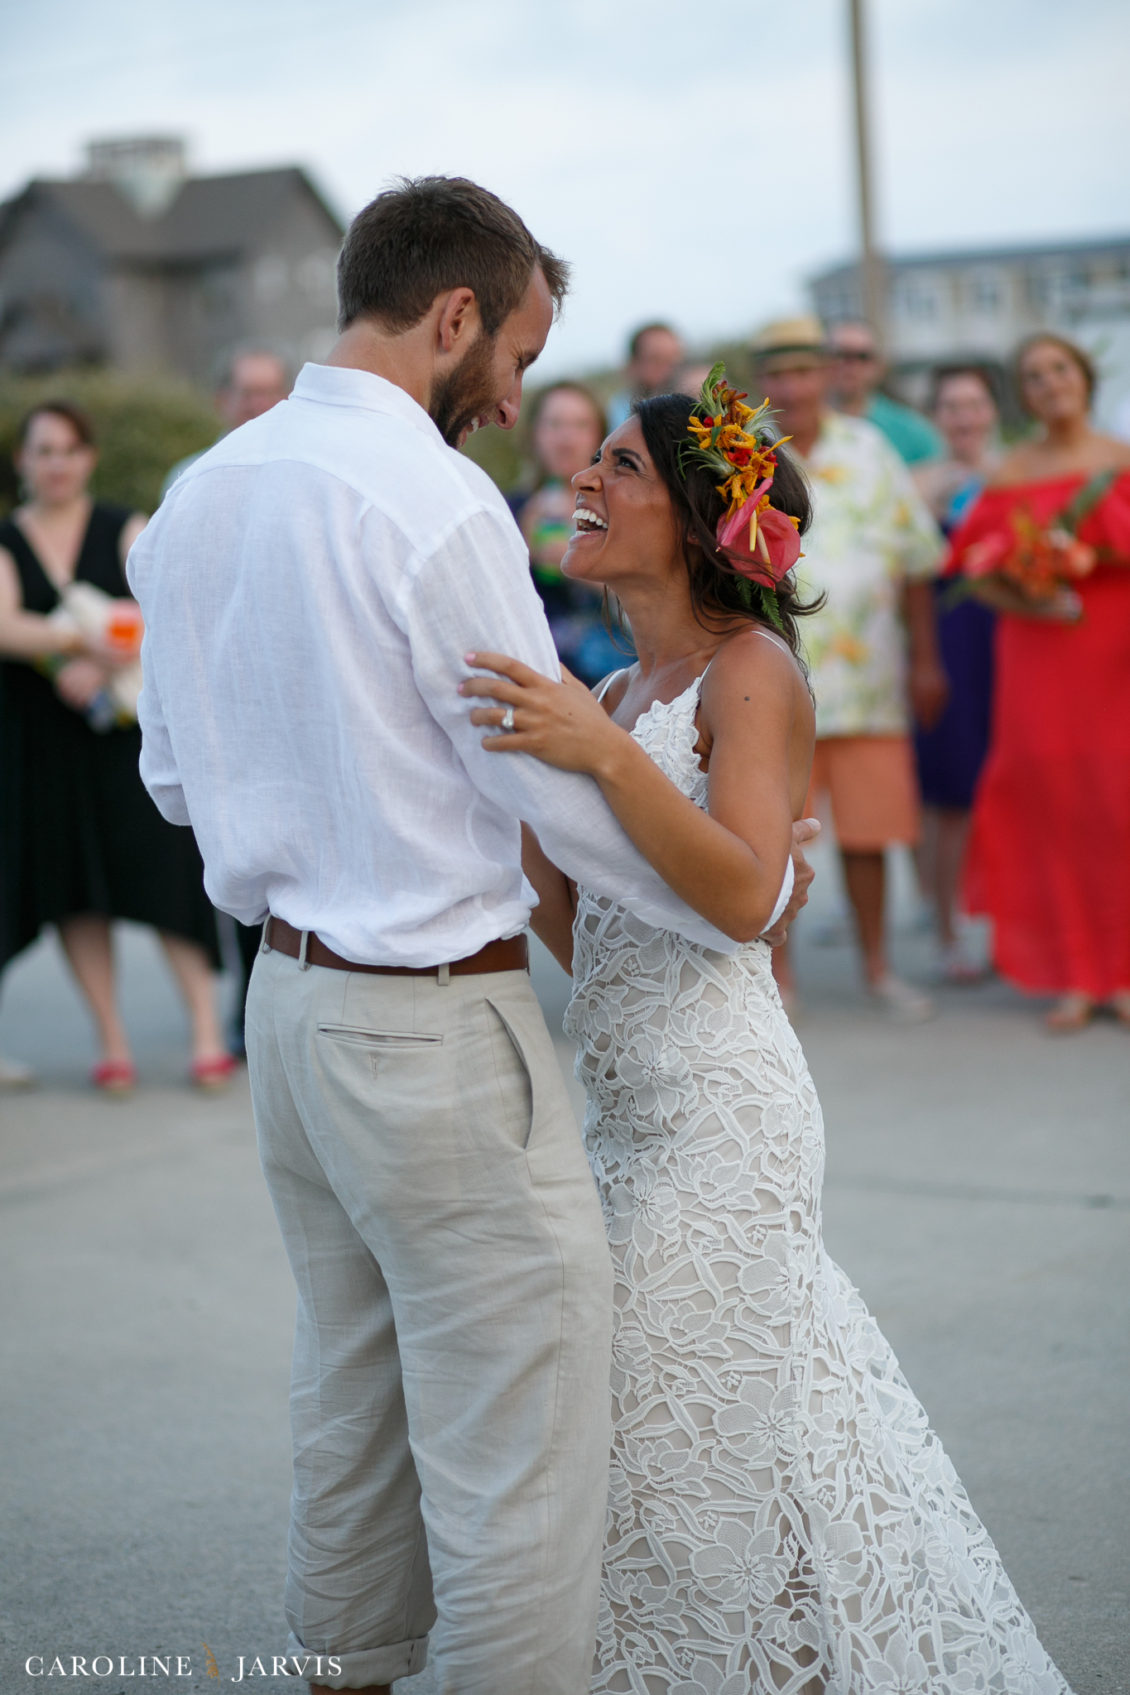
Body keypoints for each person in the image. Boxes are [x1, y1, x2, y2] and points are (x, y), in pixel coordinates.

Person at [126, 176, 816, 1695]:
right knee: (522, 1428)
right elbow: (547, 788)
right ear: (451, 317)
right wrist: (738, 904)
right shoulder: (427, 501)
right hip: (433, 1021)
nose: (516, 400)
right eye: (511, 356)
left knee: (348, 1381)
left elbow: (171, 776)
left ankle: (349, 1665)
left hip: (290, 1015)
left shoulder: (197, 494)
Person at [463, 372, 1074, 1693]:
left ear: (692, 519)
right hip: (620, 1109)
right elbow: (599, 932)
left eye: (616, 465)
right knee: (728, 1421)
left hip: (722, 1111)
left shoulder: (752, 673)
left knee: (685, 1444)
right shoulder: (616, 686)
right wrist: (519, 796)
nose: (581, 480)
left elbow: (741, 897)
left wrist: (597, 758)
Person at [0, 402, 228, 1090]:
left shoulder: (123, 525)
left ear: (89, 457)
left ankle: (205, 1031)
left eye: (69, 449)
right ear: (23, 463)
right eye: (43, 450)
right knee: (77, 895)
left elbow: (166, 606)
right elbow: (4, 627)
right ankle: (112, 1041)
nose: (57, 462)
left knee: (165, 874)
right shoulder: (9, 540)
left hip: (127, 742)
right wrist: (80, 638)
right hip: (44, 747)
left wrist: (97, 661)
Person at [752, 316, 948, 1019]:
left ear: (827, 376)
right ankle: (777, 979)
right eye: (778, 373)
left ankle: (877, 966)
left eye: (804, 371)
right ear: (762, 383)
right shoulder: (741, 456)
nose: (792, 385)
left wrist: (927, 658)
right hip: (771, 686)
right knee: (771, 835)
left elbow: (918, 559)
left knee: (871, 834)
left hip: (868, 684)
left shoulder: (870, 448)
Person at [948, 333, 1130, 1031]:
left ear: (1083, 376)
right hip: (1039, 657)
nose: (1050, 382)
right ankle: (1075, 973)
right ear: (1020, 395)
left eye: (1059, 369)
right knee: (1052, 803)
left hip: (1115, 658)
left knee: (1117, 803)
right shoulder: (1010, 474)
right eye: (1033, 376)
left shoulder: (1121, 461)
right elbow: (977, 575)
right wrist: (1038, 600)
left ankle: (1121, 970)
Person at [161, 345, 293, 1055]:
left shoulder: (305, 478)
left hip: (292, 693)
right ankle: (251, 1006)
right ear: (224, 401)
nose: (259, 404)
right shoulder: (189, 483)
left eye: (271, 390)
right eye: (246, 392)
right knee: (240, 857)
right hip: (227, 697)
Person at [912, 365, 1001, 981]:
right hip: (948, 647)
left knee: (1009, 793)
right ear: (936, 417)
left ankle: (1012, 929)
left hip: (1013, 643)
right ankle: (949, 929)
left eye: (974, 404)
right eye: (951, 405)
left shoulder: (1018, 475)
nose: (964, 416)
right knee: (949, 799)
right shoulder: (915, 487)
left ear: (992, 411)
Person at [508, 381, 624, 683]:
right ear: (534, 434)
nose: (566, 439)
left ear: (602, 436)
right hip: (538, 675)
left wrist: (577, 567)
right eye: (554, 424)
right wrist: (518, 550)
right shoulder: (509, 509)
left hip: (613, 675)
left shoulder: (624, 509)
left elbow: (650, 603)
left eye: (581, 425)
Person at [161, 345, 292, 497]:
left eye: (270, 393)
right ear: (221, 399)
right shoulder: (189, 475)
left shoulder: (306, 467)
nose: (260, 405)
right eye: (248, 394)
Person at [827, 318, 944, 465]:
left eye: (862, 357)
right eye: (841, 355)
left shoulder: (913, 432)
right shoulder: (802, 427)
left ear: (879, 365)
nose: (851, 366)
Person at [606, 321, 686, 429]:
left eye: (674, 360)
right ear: (632, 365)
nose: (669, 369)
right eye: (656, 359)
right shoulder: (616, 417)